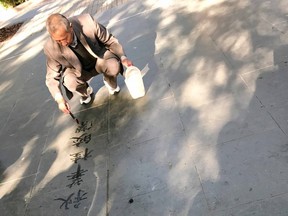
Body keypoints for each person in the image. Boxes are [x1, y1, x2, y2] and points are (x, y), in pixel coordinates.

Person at [44, 13, 133, 114]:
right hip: (77, 70)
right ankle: (85, 92)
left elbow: (110, 41)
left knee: (113, 66)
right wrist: (59, 99)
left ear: (71, 27)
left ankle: (109, 79)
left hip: (99, 58)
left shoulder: (87, 22)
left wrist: (123, 57)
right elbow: (51, 77)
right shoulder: (50, 48)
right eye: (58, 41)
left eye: (65, 38)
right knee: (69, 81)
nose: (63, 43)